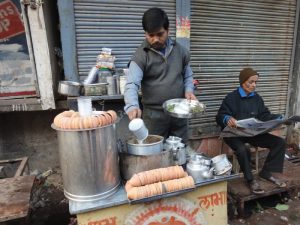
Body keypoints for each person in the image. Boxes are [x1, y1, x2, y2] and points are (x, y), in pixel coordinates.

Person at [124, 7, 197, 143]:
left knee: (180, 150)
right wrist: (132, 106)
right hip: (154, 115)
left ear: (168, 30)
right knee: (154, 153)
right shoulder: (141, 56)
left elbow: (187, 75)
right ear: (145, 34)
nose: (155, 39)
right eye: (150, 35)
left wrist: (189, 90)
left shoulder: (180, 51)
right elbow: (132, 84)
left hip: (179, 112)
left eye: (160, 34)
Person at [216, 67, 287, 194]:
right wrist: (227, 118)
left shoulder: (257, 98)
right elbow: (220, 115)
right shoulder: (231, 98)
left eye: (256, 82)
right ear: (243, 82)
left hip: (252, 133)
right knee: (243, 149)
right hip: (233, 135)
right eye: (251, 82)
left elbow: (264, 115)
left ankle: (266, 172)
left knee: (279, 142)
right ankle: (250, 180)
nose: (254, 85)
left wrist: (278, 118)